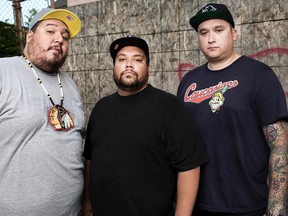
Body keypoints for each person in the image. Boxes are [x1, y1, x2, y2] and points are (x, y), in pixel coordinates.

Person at [177, 3, 288, 216]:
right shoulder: (188, 82)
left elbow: (280, 147)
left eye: (219, 30)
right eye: (204, 32)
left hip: (247, 205)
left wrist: (276, 209)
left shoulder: (259, 76)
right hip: (197, 204)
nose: (211, 38)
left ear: (234, 33)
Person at [82, 35, 208, 216]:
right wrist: (87, 200)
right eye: (122, 59)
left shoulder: (169, 107)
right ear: (114, 67)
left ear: (148, 68)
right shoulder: (101, 107)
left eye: (137, 59)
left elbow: (189, 166)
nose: (128, 64)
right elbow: (90, 159)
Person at [0, 8, 85, 215]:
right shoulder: (4, 71)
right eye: (50, 31)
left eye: (65, 37)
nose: (59, 39)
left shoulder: (71, 85)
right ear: (30, 36)